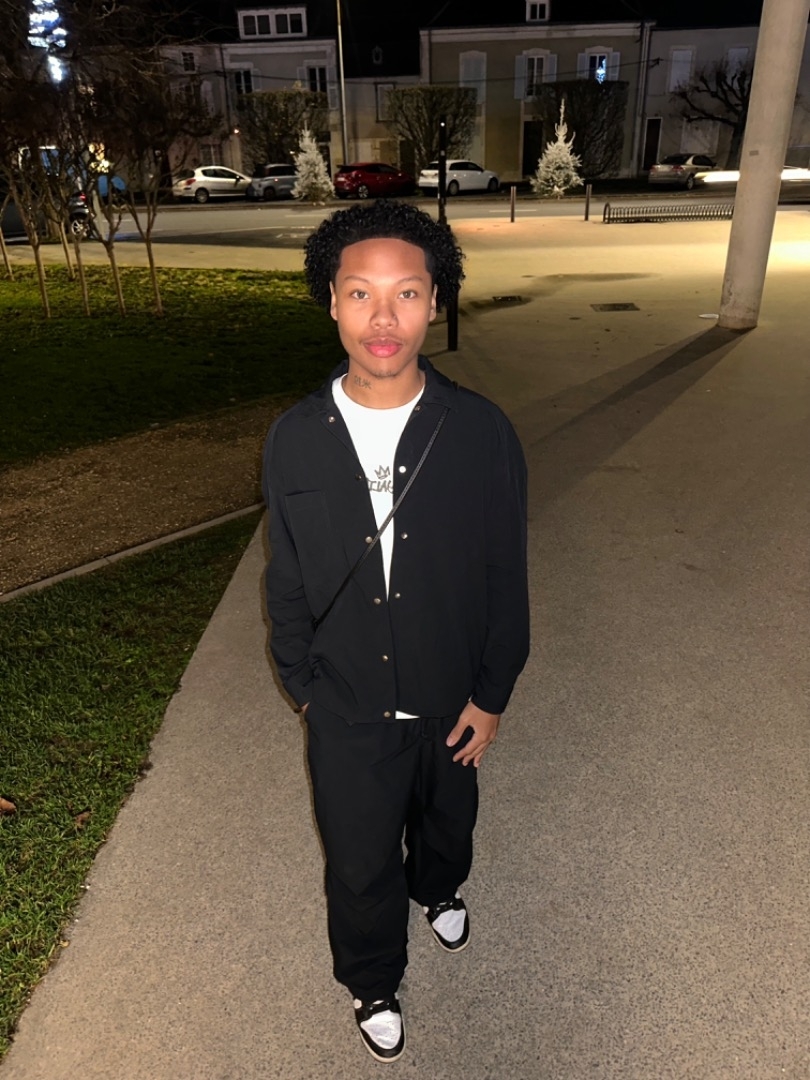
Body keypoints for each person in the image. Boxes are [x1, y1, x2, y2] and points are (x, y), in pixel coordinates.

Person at [262, 200, 529, 1063]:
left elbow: (505, 575)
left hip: (452, 691)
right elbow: (287, 574)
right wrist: (302, 684)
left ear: (435, 300)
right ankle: (373, 977)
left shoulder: (481, 432)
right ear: (331, 301)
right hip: (345, 701)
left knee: (447, 820)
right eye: (361, 294)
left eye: (407, 293)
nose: (384, 318)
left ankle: (440, 887)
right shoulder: (294, 440)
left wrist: (491, 695)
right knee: (358, 857)